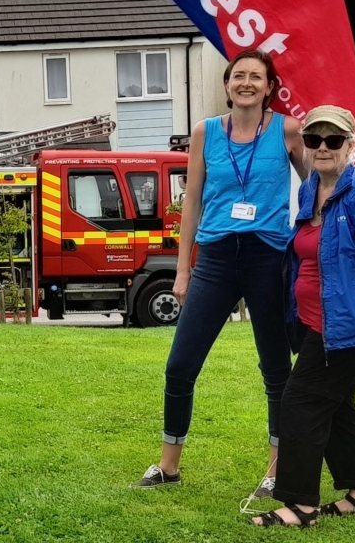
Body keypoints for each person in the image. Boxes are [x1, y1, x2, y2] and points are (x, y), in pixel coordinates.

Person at [133, 50, 305, 496]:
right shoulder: (205, 132)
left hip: (267, 258)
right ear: (227, 84)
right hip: (214, 258)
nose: (246, 83)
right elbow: (192, 201)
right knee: (180, 364)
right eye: (239, 76)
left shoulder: (287, 130)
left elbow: (316, 185)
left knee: (275, 368)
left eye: (257, 77)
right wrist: (183, 268)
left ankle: (277, 468)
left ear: (270, 87)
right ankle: (168, 466)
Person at [252, 105, 355, 528]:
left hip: (345, 327)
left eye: (333, 140)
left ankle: (300, 505)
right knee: (337, 405)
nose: (322, 148)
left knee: (299, 402)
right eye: (314, 139)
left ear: (351, 145)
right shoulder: (310, 189)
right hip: (308, 318)